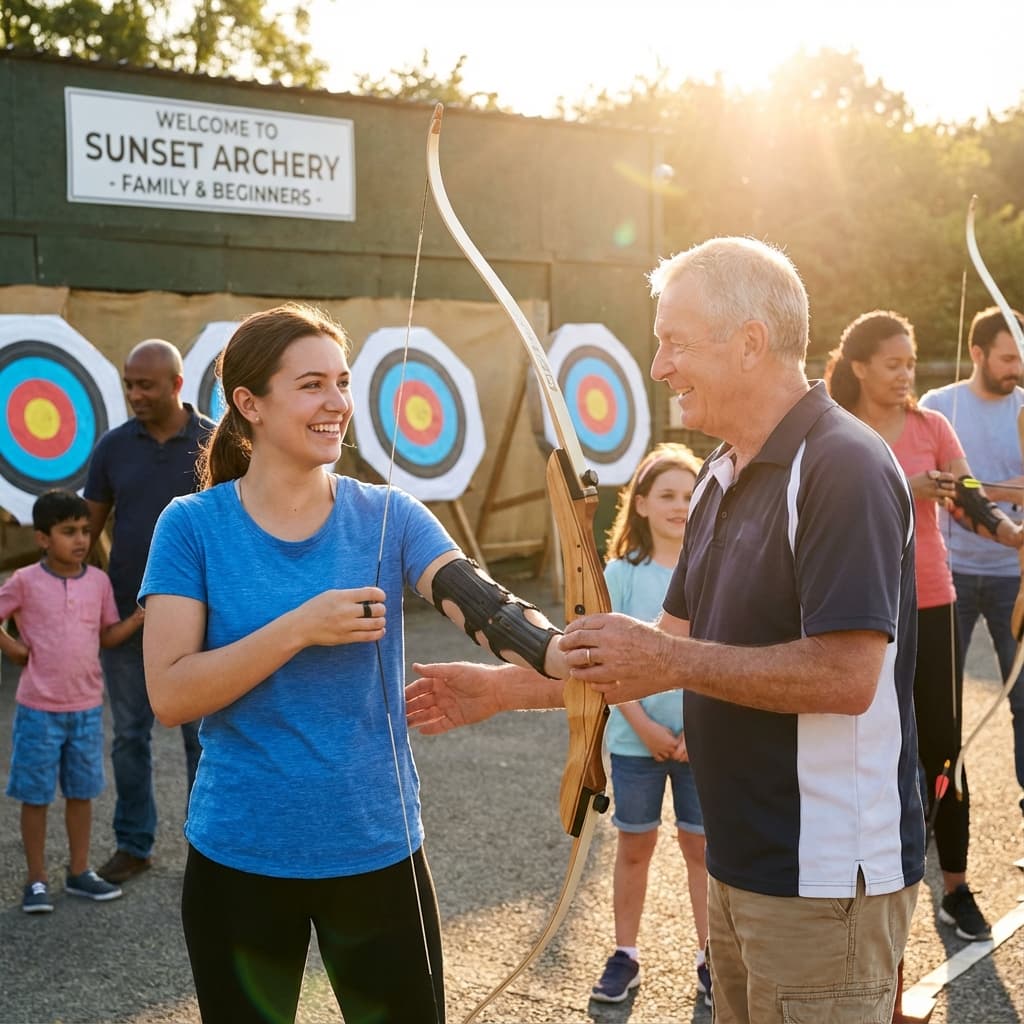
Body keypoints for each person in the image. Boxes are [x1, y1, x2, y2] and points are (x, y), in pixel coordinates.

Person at [408, 237, 926, 1024]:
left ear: (750, 341)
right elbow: (651, 656)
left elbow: (848, 679)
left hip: (823, 881)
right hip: (743, 864)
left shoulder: (841, 465)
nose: (658, 366)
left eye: (673, 342)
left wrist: (665, 654)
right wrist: (502, 690)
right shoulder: (720, 476)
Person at [138, 303, 572, 1024]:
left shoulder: (389, 514)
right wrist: (300, 627)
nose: (337, 403)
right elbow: (171, 693)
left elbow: (479, 601)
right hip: (241, 854)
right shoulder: (191, 526)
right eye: (311, 385)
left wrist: (556, 651)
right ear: (250, 403)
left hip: (376, 847)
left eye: (342, 382)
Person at [825, 310, 1023, 944]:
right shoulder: (836, 431)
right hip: (855, 608)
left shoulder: (932, 425)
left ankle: (956, 886)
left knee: (944, 746)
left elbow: (968, 495)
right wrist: (905, 487)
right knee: (862, 748)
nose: (906, 374)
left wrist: (1011, 533)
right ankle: (857, 884)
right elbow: (824, 512)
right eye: (894, 363)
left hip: (931, 602)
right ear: (858, 367)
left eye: (911, 363)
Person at [84, 338, 215, 885]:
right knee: (130, 734)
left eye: (146, 385)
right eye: (129, 384)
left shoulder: (215, 440)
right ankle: (134, 845)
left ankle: (209, 847)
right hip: (125, 617)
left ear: (177, 385)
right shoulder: (112, 448)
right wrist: (98, 600)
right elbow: (88, 528)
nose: (135, 394)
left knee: (203, 736)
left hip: (206, 618)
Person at [589, 443, 711, 1008]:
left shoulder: (713, 573)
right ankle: (626, 954)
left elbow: (720, 657)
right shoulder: (620, 574)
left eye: (690, 495)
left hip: (702, 744)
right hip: (634, 741)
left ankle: (713, 956)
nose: (680, 505)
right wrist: (643, 728)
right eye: (667, 495)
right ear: (639, 504)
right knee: (634, 847)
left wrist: (696, 733)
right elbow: (603, 666)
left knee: (703, 851)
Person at [1, 490, 144, 913]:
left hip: (85, 709)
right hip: (38, 710)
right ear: (43, 538)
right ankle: (36, 880)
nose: (81, 540)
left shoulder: (98, 582)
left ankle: (80, 872)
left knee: (82, 794)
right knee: (36, 796)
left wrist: (137, 619)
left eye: (85, 531)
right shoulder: (24, 581)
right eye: (69, 532)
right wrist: (11, 648)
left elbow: (106, 636)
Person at [920, 305, 1024, 822]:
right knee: (942, 707)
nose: (1017, 369)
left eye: (1021, 358)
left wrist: (973, 490)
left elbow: (957, 490)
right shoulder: (937, 406)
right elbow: (940, 488)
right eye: (1007, 358)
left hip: (1016, 577)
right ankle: (938, 819)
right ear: (977, 353)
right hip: (949, 576)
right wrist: (992, 499)